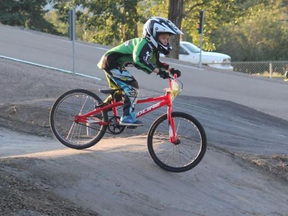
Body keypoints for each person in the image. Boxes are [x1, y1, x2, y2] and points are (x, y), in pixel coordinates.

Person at [97, 17, 183, 126]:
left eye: (167, 39)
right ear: (153, 35)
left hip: (114, 63)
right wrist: (158, 72)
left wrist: (171, 70)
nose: (166, 42)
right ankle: (127, 117)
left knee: (122, 92)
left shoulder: (152, 49)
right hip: (111, 62)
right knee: (133, 86)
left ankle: (100, 112)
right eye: (163, 38)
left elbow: (156, 63)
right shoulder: (144, 44)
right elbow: (139, 60)